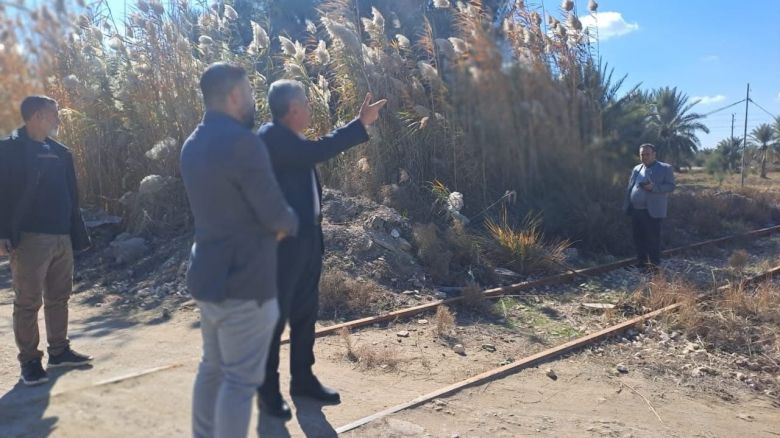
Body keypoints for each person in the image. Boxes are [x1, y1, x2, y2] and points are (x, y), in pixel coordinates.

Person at [180, 63, 299, 438]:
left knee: (211, 369)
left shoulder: (192, 143)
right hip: (246, 281)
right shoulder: (244, 143)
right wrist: (291, 222)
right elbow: (274, 213)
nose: (252, 101)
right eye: (248, 93)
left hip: (208, 275)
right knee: (239, 382)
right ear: (234, 96)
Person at [256, 79, 386, 420]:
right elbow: (318, 151)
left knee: (304, 313)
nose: (311, 108)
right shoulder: (271, 138)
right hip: (282, 244)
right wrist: (359, 124)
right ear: (293, 109)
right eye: (307, 103)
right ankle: (266, 390)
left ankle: (303, 381)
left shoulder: (291, 138)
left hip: (308, 239)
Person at [0, 96, 93, 386]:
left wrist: (76, 232)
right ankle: (30, 361)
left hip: (61, 235)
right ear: (38, 116)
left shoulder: (61, 152)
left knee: (59, 297)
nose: (58, 119)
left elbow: (72, 197)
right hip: (29, 238)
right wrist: (2, 233)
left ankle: (59, 351)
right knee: (28, 302)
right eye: (54, 114)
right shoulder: (8, 150)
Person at [623, 143, 676, 270]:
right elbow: (630, 187)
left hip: (652, 211)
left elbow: (671, 186)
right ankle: (641, 262)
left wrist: (654, 187)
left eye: (647, 154)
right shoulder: (637, 168)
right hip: (636, 210)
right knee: (638, 238)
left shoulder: (665, 168)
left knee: (652, 239)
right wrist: (627, 204)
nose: (644, 157)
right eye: (642, 154)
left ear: (654, 154)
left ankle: (654, 267)